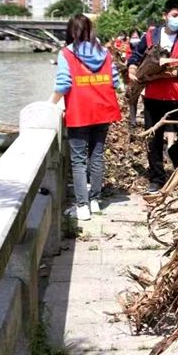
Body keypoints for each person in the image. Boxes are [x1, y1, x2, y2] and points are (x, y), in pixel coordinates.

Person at [51, 14, 122, 222]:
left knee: (79, 160)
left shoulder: (66, 53)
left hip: (80, 111)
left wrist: (49, 105)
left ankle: (82, 207)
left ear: (71, 32)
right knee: (97, 156)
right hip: (103, 110)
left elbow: (63, 84)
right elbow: (115, 81)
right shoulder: (105, 53)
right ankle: (94, 201)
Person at [127, 0, 178, 193]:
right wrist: (132, 67)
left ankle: (175, 152)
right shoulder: (151, 36)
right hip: (154, 96)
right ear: (164, 15)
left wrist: (170, 73)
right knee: (153, 138)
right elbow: (136, 55)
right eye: (175, 15)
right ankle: (157, 177)